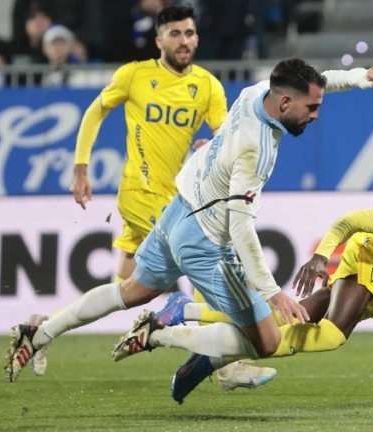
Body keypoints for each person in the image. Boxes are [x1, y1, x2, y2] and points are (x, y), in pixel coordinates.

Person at [4, 57, 373, 385]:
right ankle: (159, 333)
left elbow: (317, 83)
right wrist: (272, 291)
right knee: (268, 340)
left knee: (131, 290)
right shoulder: (255, 151)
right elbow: (240, 228)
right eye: (311, 108)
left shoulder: (257, 93)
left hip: (179, 211)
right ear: (286, 102)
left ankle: (39, 333)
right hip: (205, 242)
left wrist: (359, 77)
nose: (316, 115)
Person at [20, 4, 271, 390]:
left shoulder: (207, 85)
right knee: (205, 258)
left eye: (189, 33)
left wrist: (210, 145)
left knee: (125, 289)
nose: (183, 40)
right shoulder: (135, 75)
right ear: (159, 40)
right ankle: (226, 365)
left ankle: (42, 328)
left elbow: (224, 137)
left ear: (197, 38)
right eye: (175, 34)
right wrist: (81, 167)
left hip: (177, 197)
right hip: (140, 193)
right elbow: (95, 112)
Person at [115, 194, 373, 415]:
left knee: (287, 316)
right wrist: (321, 255)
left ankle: (184, 313)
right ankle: (183, 340)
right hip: (369, 258)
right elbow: (352, 221)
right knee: (331, 336)